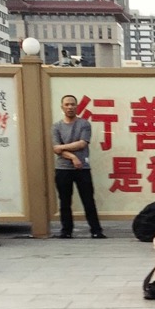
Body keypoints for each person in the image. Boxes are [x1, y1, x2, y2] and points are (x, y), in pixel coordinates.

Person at [52, 94, 106, 239]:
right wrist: (73, 156)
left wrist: (62, 148)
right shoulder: (57, 126)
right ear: (62, 107)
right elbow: (55, 148)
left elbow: (82, 143)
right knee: (65, 201)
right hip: (63, 169)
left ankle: (96, 230)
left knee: (88, 200)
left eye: (72, 104)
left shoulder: (84, 124)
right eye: (67, 104)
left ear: (77, 106)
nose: (70, 107)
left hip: (83, 168)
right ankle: (66, 231)